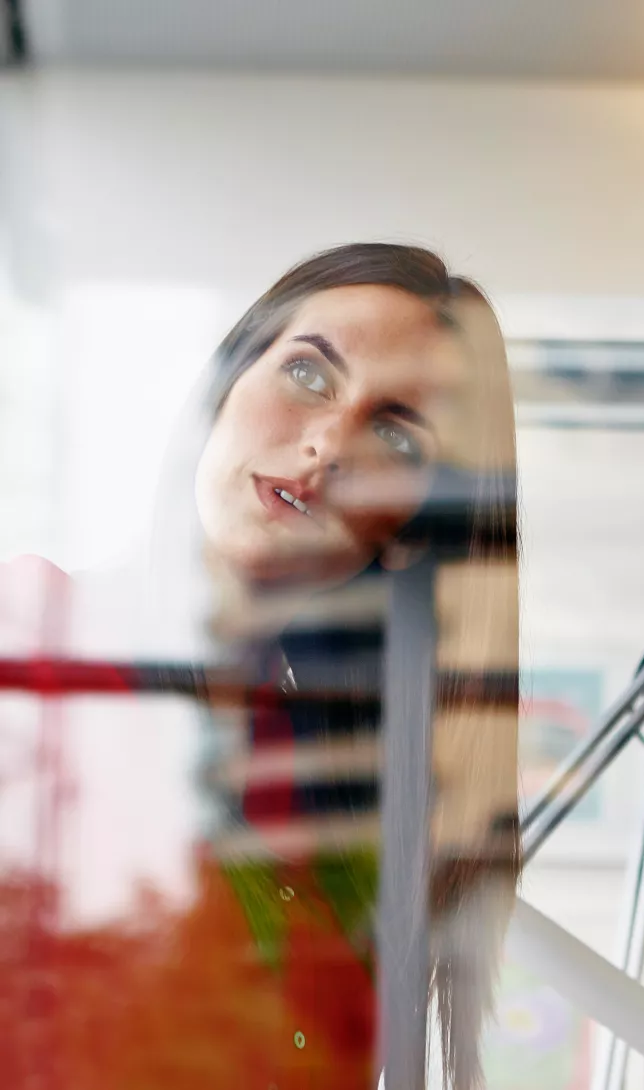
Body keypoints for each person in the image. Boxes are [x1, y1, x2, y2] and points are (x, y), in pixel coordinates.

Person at [0, 244, 520, 1090]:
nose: (326, 446)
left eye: (395, 431)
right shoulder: (27, 633)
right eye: (310, 376)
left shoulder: (361, 789)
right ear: (224, 384)